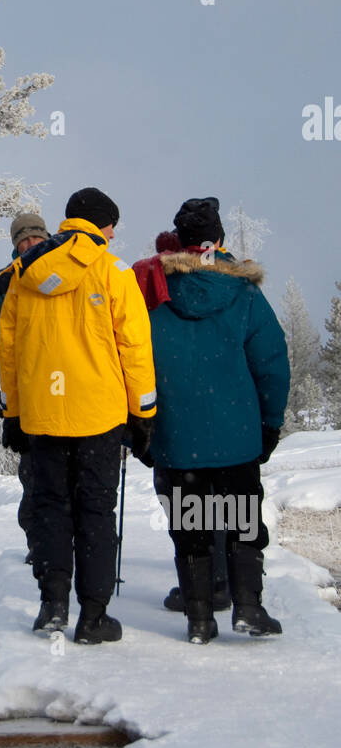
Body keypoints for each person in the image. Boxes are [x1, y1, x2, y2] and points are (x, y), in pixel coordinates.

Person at [0, 188, 157, 644]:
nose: (112, 234)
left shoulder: (24, 274)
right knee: (95, 513)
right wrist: (143, 411)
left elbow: (8, 351)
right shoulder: (113, 271)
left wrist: (14, 411)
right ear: (103, 226)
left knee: (51, 510)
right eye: (112, 226)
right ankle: (93, 616)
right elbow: (135, 346)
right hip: (99, 417)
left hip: (44, 417)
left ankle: (51, 607)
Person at [137, 197, 290, 644]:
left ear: (179, 242)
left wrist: (139, 429)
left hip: (177, 438)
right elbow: (272, 362)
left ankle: (200, 620)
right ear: (218, 239)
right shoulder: (243, 293)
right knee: (242, 523)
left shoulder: (153, 295)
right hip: (236, 437)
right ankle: (249, 609)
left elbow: (131, 361)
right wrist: (270, 422)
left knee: (190, 530)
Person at [133, 228, 231, 614]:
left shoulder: (151, 287)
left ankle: (202, 591)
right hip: (222, 411)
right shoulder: (230, 280)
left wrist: (137, 423)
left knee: (184, 502)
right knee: (220, 498)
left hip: (172, 412)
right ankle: (222, 582)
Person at [0, 212, 50, 550]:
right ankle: (40, 548)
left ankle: (79, 550)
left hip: (71, 392)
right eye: (24, 239)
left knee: (78, 482)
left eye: (36, 237)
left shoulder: (67, 273)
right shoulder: (2, 282)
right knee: (34, 478)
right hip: (27, 396)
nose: (31, 244)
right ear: (15, 244)